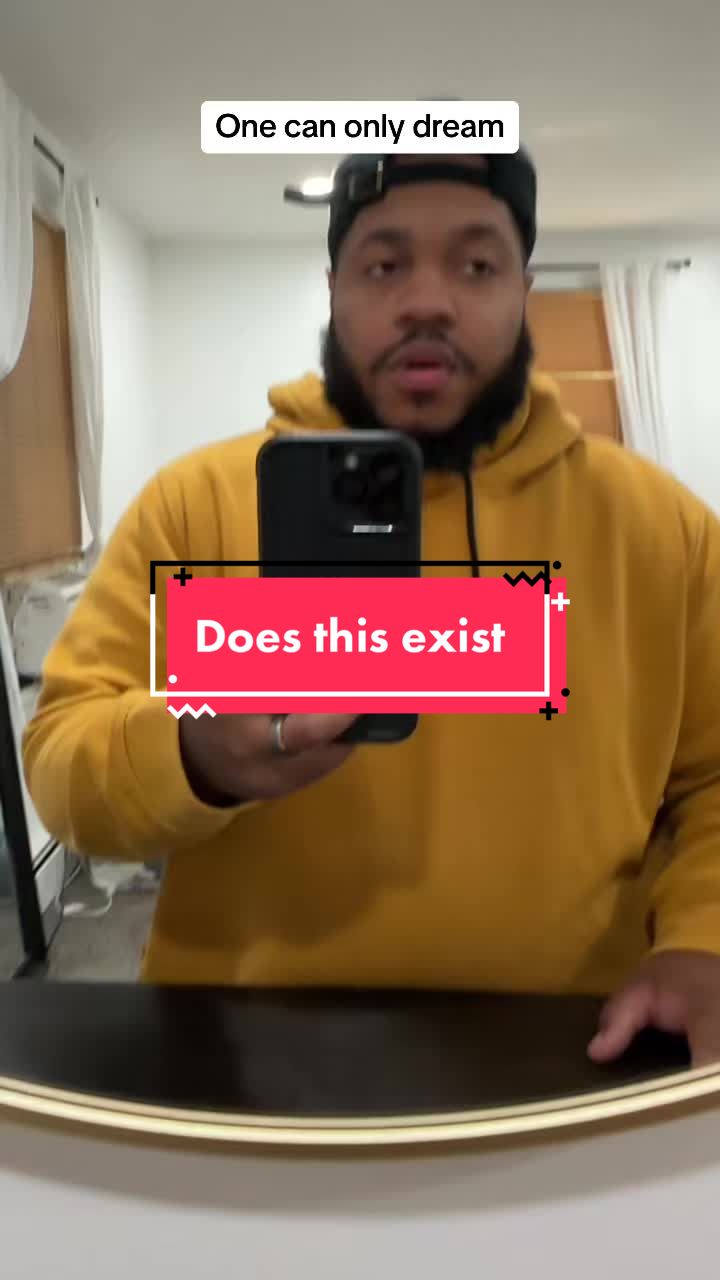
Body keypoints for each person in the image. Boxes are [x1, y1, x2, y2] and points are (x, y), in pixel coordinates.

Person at [22, 148, 720, 1067]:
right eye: (384, 265)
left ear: (523, 291)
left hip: (571, 1041)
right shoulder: (197, 508)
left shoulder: (659, 528)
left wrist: (703, 939)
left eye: (477, 265)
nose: (428, 301)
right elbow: (62, 768)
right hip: (239, 1048)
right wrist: (192, 757)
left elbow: (712, 779)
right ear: (334, 292)